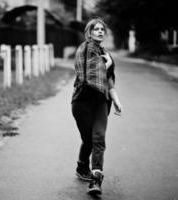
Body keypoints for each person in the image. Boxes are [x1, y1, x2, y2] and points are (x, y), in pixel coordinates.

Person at [71, 18, 122, 196]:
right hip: (82, 102)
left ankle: (96, 179)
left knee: (98, 138)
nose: (100, 32)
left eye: (102, 29)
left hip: (100, 102)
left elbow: (109, 81)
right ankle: (81, 165)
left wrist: (115, 100)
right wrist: (107, 65)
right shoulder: (85, 49)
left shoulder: (105, 52)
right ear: (90, 32)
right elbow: (88, 74)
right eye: (96, 29)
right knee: (89, 140)